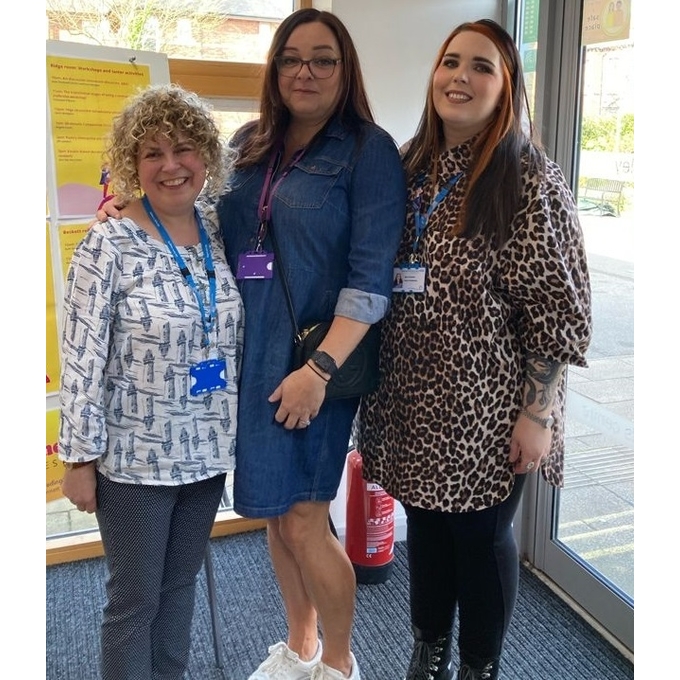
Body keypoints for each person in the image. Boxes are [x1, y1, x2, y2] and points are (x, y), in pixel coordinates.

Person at [358, 19, 592, 680]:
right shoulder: (407, 169)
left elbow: (559, 310)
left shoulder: (528, 180)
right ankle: (427, 651)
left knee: (480, 540)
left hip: (491, 409)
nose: (460, 77)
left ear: (506, 86)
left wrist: (537, 414)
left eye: (481, 66)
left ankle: (477, 666)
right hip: (411, 399)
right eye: (450, 62)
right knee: (428, 532)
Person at [217, 8, 406, 679]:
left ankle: (340, 664)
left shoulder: (367, 150)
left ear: (344, 69)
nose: (306, 71)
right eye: (292, 57)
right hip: (251, 356)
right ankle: (299, 648)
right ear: (274, 69)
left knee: (304, 518)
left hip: (314, 364)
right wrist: (133, 205)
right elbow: (208, 223)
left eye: (323, 58)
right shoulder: (247, 143)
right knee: (272, 514)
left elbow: (370, 278)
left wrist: (320, 369)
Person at [59, 84, 244, 680]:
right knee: (135, 602)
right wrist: (78, 458)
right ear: (133, 165)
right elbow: (81, 358)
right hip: (134, 460)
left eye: (185, 149)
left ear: (206, 158)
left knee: (180, 586)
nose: (170, 166)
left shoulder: (219, 232)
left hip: (208, 450)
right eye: (152, 153)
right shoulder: (106, 244)